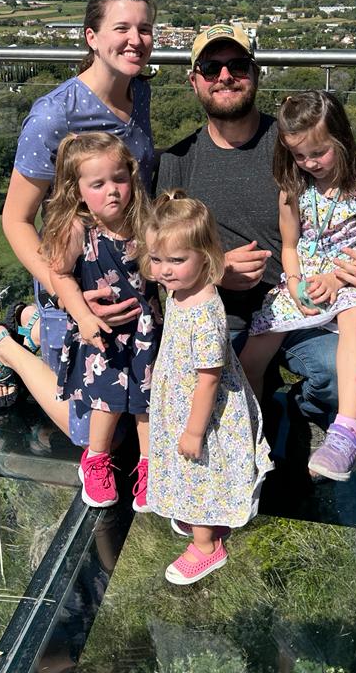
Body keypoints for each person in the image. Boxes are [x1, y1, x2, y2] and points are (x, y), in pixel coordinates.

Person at [156, 22, 356, 430]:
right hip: (221, 316)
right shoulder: (178, 161)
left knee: (340, 373)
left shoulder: (297, 142)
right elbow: (156, 261)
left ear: (255, 73)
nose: (225, 76)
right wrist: (214, 271)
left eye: (238, 66)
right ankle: (264, 427)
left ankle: (300, 420)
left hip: (307, 307)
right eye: (211, 68)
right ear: (194, 80)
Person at [0, 0, 155, 443]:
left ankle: (33, 325)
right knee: (90, 433)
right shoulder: (54, 117)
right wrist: (68, 296)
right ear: (91, 37)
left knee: (137, 405)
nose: (136, 40)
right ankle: (4, 345)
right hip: (73, 283)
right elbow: (15, 219)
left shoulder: (140, 94)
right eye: (122, 28)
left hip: (131, 277)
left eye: (145, 29)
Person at [240, 91, 356, 481]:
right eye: (299, 155)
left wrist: (337, 279)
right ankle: (247, 429)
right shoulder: (293, 188)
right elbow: (290, 246)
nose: (309, 163)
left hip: (348, 279)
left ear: (342, 138)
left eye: (319, 152)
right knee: (252, 355)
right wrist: (293, 284)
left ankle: (346, 431)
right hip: (302, 281)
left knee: (355, 317)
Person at [142, 191, 272, 585]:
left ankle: (206, 546)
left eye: (176, 260)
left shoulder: (204, 312)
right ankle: (204, 517)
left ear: (206, 257)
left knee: (198, 467)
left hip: (202, 409)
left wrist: (195, 431)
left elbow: (209, 378)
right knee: (194, 474)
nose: (165, 270)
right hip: (181, 399)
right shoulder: (181, 290)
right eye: (157, 259)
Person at [43, 132, 161, 509]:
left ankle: (150, 465)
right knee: (106, 399)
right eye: (98, 184)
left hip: (145, 331)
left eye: (119, 179)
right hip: (102, 332)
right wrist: (82, 315)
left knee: (149, 401)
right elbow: (60, 274)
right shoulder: (80, 229)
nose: (112, 190)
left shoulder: (144, 222)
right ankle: (96, 459)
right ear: (77, 191)